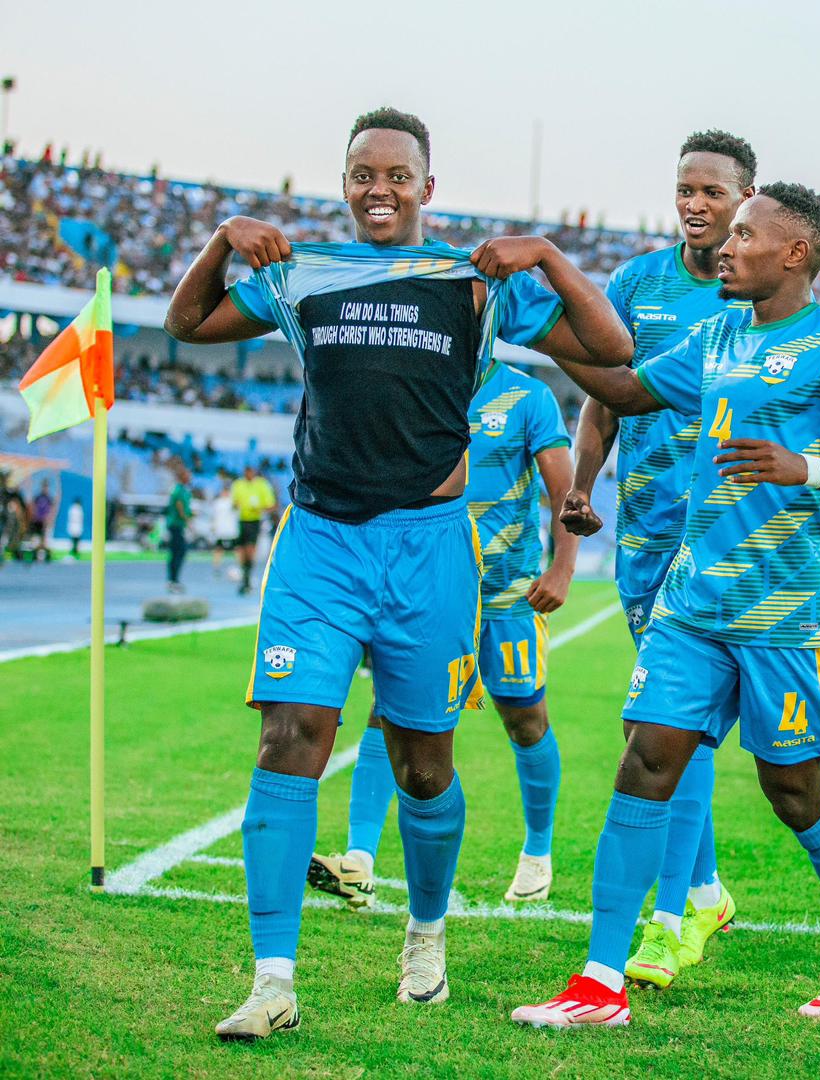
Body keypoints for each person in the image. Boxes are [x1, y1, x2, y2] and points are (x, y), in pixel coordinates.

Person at [164, 106, 631, 1039]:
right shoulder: (303, 274)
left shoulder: (473, 282)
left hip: (430, 550)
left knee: (424, 766)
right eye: (362, 174)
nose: (379, 189)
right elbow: (187, 323)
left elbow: (611, 347)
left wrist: (545, 254)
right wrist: (221, 242)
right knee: (290, 736)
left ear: (427, 186)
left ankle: (425, 933)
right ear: (344, 184)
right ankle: (272, 980)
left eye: (396, 175)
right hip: (321, 543)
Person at [512, 183, 820, 1028]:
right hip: (693, 606)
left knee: (795, 792)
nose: (726, 247)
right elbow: (625, 391)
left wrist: (806, 468)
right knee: (645, 762)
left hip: (788, 617)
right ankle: (600, 981)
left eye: (744, 235)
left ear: (795, 253)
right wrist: (533, 324)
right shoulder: (718, 334)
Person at [559, 130, 756, 988]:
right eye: (685, 189)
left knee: (677, 721)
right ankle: (705, 891)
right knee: (664, 726)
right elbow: (603, 399)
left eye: (713, 191)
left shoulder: (759, 293)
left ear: (746, 199)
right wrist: (580, 488)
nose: (695, 204)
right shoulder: (637, 284)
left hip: (721, 535)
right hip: (643, 531)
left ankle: (672, 917)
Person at [310, 358, 578, 907]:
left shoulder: (528, 396)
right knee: (387, 711)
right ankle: (359, 859)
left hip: (508, 593)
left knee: (525, 719)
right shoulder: (416, 380)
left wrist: (562, 567)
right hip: (428, 588)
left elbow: (565, 491)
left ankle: (537, 853)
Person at [230, 465, 276, 593]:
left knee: (250, 549)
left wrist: (259, 509)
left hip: (254, 521)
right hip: (240, 520)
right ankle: (244, 575)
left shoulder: (262, 485)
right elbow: (234, 503)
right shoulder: (238, 484)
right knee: (240, 550)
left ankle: (247, 577)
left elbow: (271, 505)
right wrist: (237, 505)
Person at [165, 466, 193, 594]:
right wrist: (187, 521)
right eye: (188, 475)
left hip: (179, 525)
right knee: (178, 552)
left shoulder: (184, 490)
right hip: (175, 525)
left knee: (179, 552)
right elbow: (179, 506)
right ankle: (173, 580)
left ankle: (173, 580)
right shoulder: (178, 490)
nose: (190, 478)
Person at [211, 480, 239, 576]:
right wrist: (214, 527)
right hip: (221, 531)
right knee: (218, 549)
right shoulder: (217, 503)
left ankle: (240, 567)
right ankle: (216, 568)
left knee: (237, 549)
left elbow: (236, 508)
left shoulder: (232, 502)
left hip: (231, 531)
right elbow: (214, 516)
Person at [28, 479, 54, 561]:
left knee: (44, 540)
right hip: (37, 521)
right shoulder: (38, 497)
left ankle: (45, 556)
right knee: (35, 539)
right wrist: (34, 517)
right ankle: (34, 555)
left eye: (46, 487)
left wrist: (49, 520)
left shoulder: (49, 498)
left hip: (44, 522)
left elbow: (51, 510)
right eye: (44, 486)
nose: (45, 488)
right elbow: (33, 507)